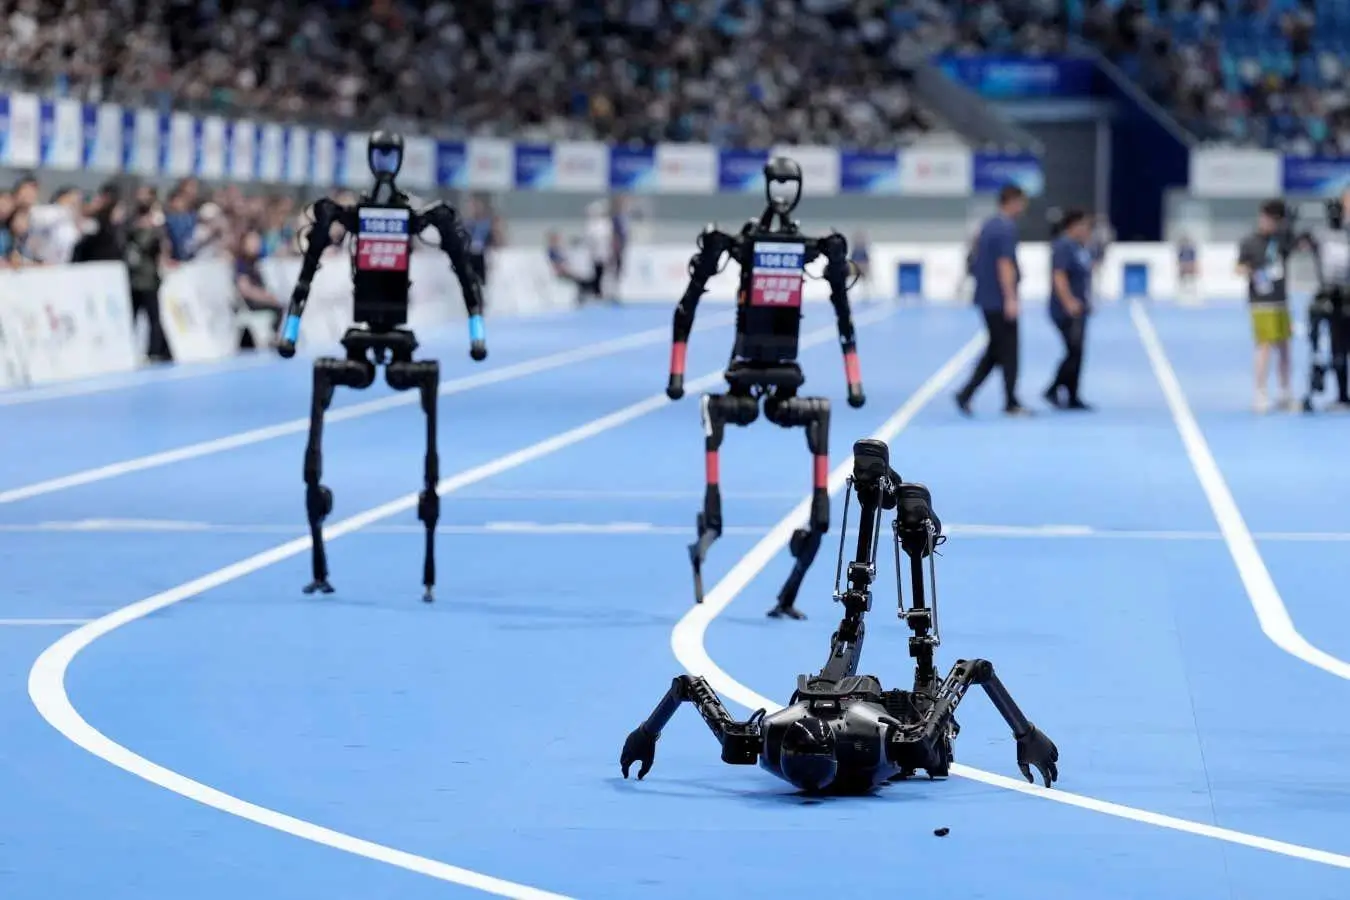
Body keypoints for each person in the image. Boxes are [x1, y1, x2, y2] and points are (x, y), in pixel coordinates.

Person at [956, 183, 1030, 416]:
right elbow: (1004, 264)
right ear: (1013, 201)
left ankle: (966, 393)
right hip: (998, 299)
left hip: (986, 296)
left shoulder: (987, 225)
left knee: (996, 350)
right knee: (1009, 351)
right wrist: (1011, 298)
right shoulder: (1006, 228)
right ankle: (1010, 401)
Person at [1236, 200, 1296, 413]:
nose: (1265, 222)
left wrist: (1289, 225)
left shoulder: (1281, 241)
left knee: (1285, 348)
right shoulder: (1250, 242)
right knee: (1264, 347)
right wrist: (1253, 272)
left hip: (1281, 301)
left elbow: (1294, 246)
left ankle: (1285, 391)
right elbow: (1239, 267)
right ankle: (1260, 392)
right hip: (1261, 303)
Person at [1045, 209, 1094, 410]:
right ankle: (1053, 388)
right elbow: (1059, 276)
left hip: (1080, 306)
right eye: (1084, 226)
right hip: (1065, 309)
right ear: (1073, 226)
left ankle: (1072, 395)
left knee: (1078, 352)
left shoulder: (1079, 248)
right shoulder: (1063, 246)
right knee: (1073, 350)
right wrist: (1069, 302)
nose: (1087, 230)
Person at [235, 229, 284, 349]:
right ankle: (274, 338)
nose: (256, 244)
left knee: (281, 305)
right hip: (250, 302)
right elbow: (246, 289)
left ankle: (276, 335)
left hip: (261, 297)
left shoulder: (257, 262)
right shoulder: (242, 263)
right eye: (252, 241)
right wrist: (265, 297)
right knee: (277, 307)